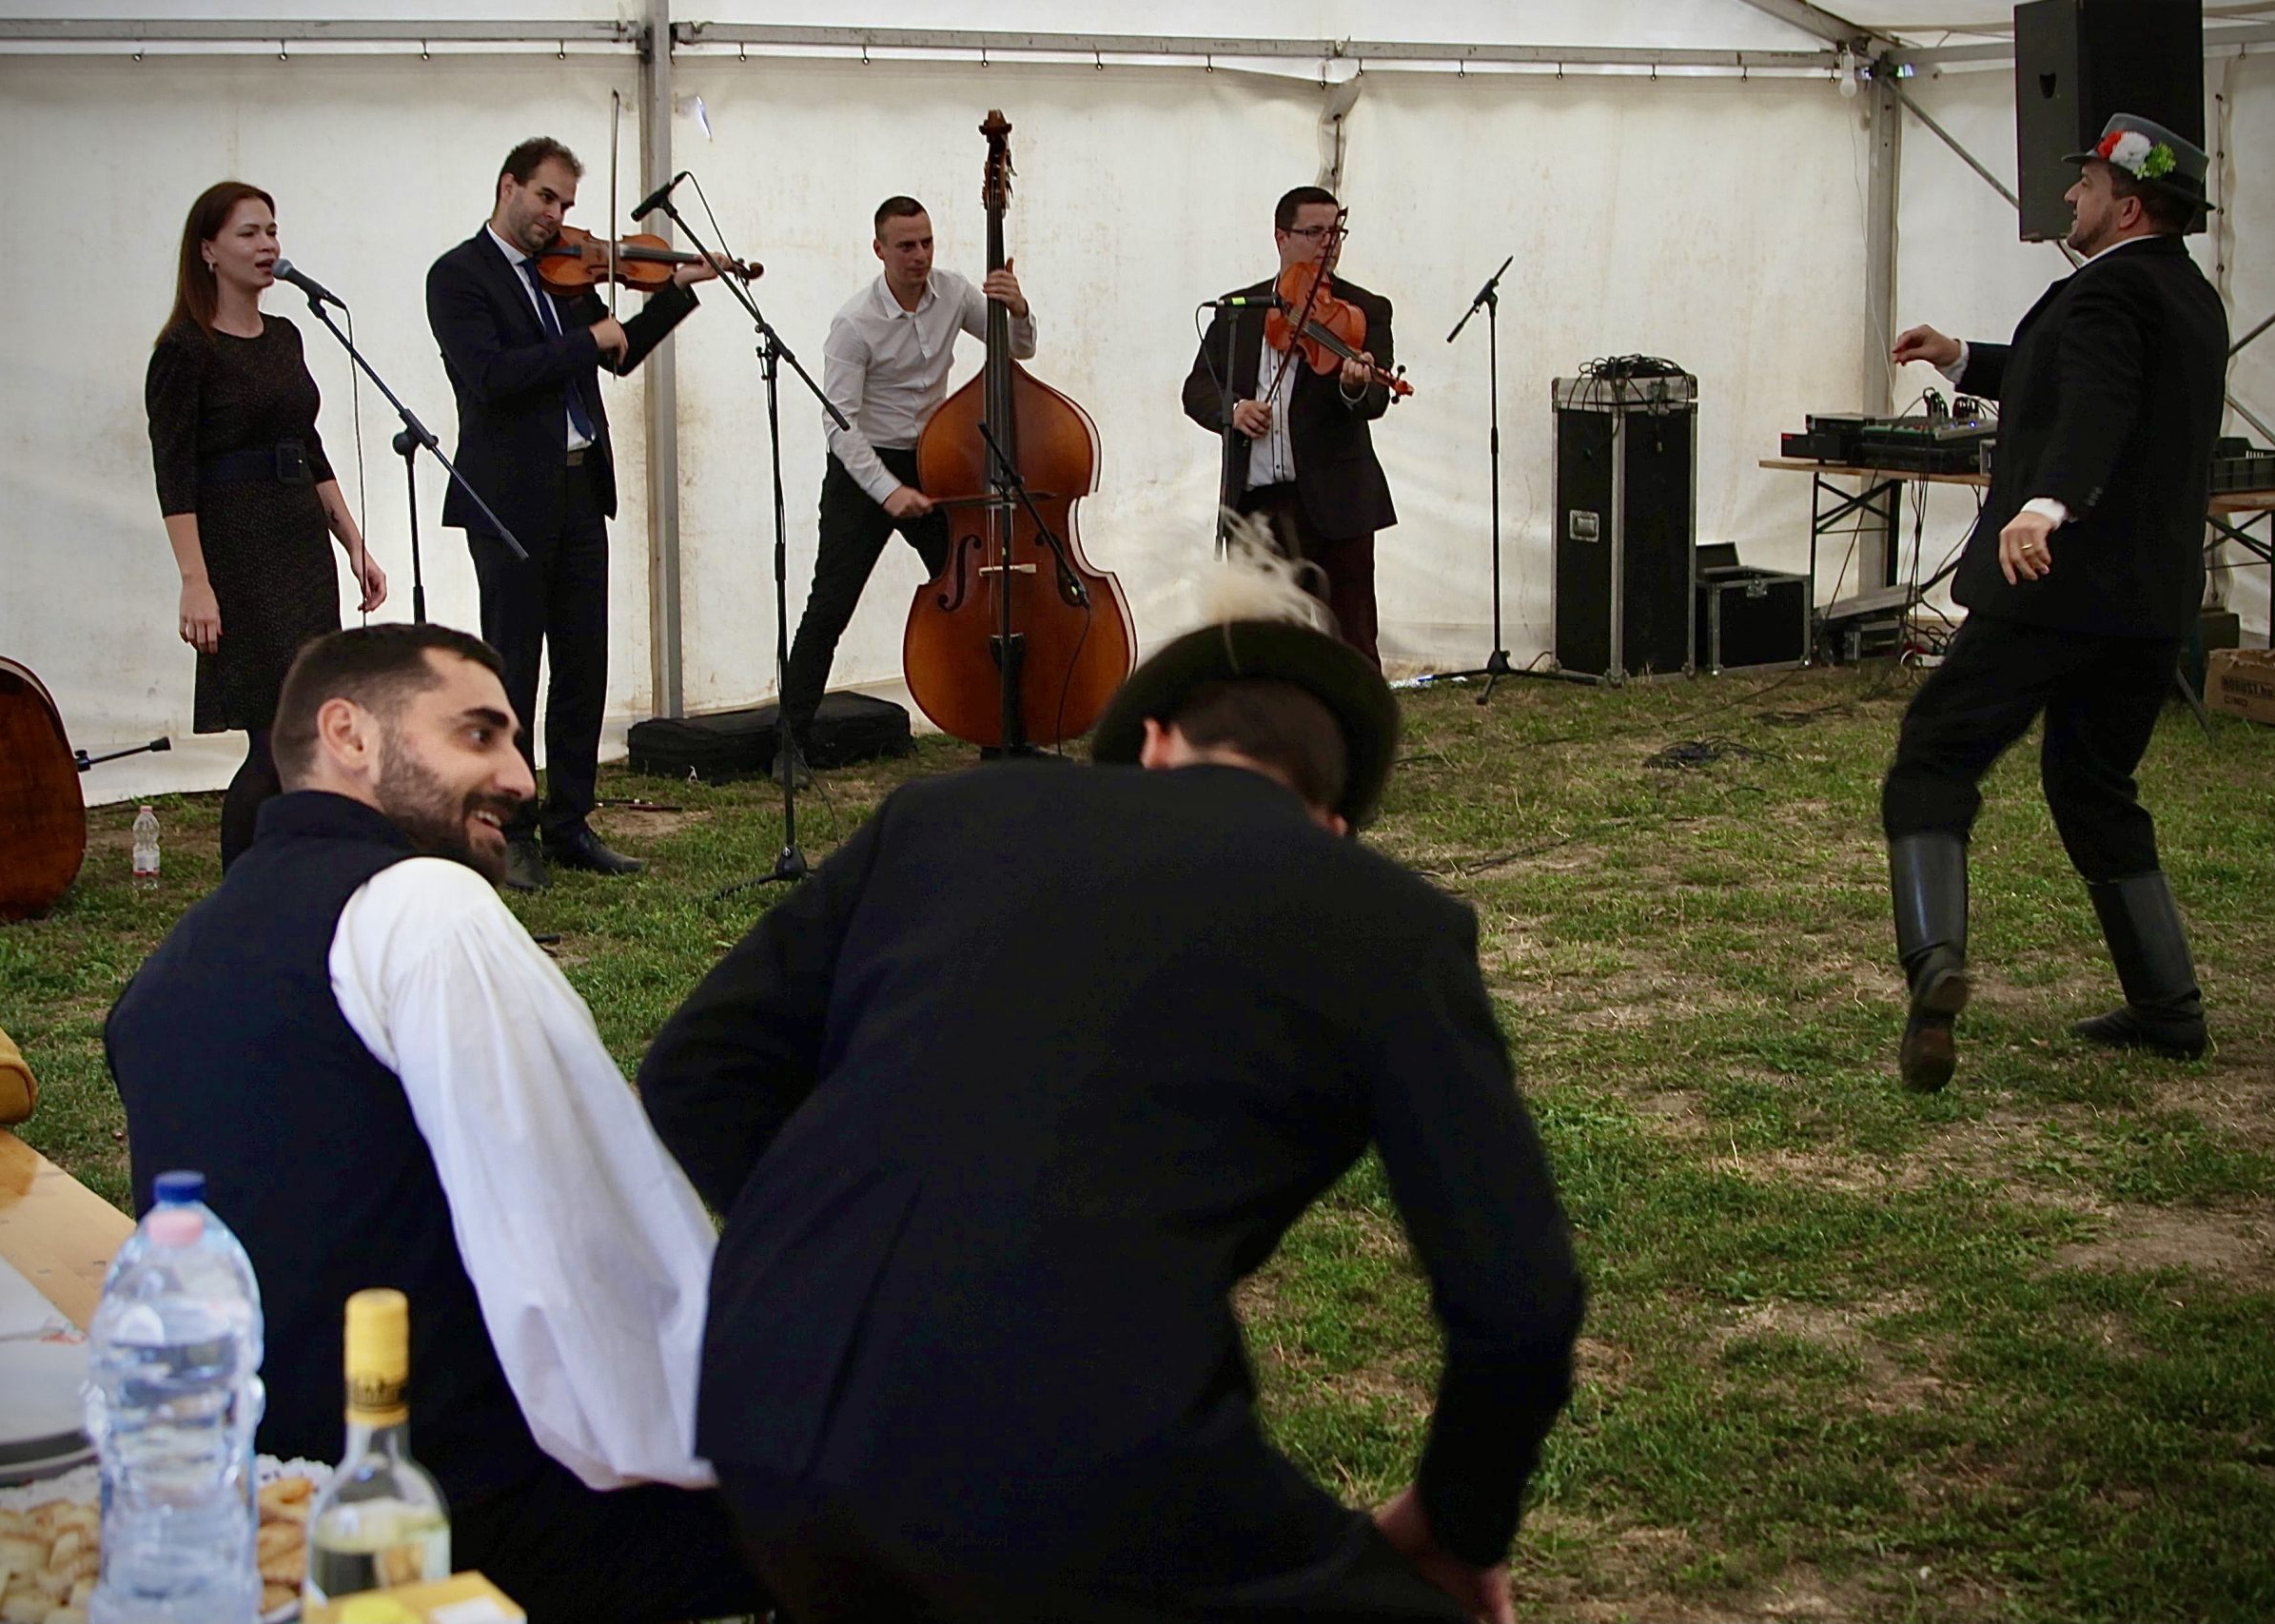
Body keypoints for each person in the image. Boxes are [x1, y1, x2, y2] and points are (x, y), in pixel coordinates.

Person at [637, 547, 1584, 1623]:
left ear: (1154, 744)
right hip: (1075, 1469)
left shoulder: (943, 816)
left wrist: (839, 1252)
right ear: (1330, 825)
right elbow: (1519, 1302)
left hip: (761, 1416)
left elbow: (695, 1073)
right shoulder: (1385, 918)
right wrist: (1458, 1527)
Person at [102, 624, 771, 1624]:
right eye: (478, 735)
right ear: (350, 735)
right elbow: (587, 1256)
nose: (521, 779)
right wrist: (759, 1437)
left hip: (274, 1509)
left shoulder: (173, 965)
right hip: (454, 1517)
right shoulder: (423, 908)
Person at [1883, 112, 2227, 1092]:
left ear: (2128, 206)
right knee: (2092, 786)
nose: (2071, 196)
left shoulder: (2107, 292)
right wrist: (1962, 357)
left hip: (2054, 589)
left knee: (1933, 758)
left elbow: (2097, 406)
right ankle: (2168, 1007)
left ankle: (1934, 965)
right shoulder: (2185, 296)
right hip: (2147, 606)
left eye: (2086, 186)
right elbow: (2072, 376)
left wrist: (2045, 505)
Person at [425, 138, 721, 890]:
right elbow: (491, 376)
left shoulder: (565, 274)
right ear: (508, 185)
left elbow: (619, 353)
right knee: (514, 669)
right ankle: (511, 827)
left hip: (581, 487)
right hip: (509, 500)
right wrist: (585, 338)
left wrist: (676, 291)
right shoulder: (458, 276)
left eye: (565, 204)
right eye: (546, 197)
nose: (555, 216)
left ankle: (570, 822)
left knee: (583, 664)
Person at [147, 180, 388, 871]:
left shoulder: (285, 337)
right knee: (274, 733)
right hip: (239, 549)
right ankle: (244, 883)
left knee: (307, 724)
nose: (267, 245)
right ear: (208, 251)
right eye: (249, 233)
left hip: (299, 543)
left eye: (272, 231)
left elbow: (309, 448)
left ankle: (288, 868)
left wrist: (354, 543)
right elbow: (174, 472)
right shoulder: (187, 348)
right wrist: (195, 580)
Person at [774, 195, 1036, 787]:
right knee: (829, 606)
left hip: (934, 460)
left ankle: (1000, 731)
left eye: (927, 242)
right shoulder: (854, 323)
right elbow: (839, 424)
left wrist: (1018, 310)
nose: (920, 255)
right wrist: (887, 491)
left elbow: (1017, 349)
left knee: (975, 598)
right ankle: (789, 743)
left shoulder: (955, 292)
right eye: (906, 246)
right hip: (864, 468)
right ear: (880, 250)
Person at [1183, 185, 1398, 665]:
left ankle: (1355, 711)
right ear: (1281, 237)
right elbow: (1197, 388)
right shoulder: (1239, 311)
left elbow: (1375, 398)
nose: (1328, 244)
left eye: (1335, 233)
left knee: (1352, 640)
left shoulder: (1365, 309)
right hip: (1259, 503)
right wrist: (1234, 409)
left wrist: (1354, 385)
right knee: (1262, 641)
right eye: (1314, 232)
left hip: (1338, 501)